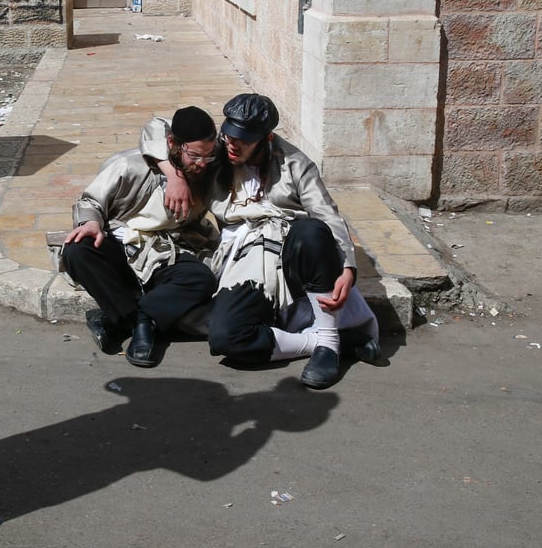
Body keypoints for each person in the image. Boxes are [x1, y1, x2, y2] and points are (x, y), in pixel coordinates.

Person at [144, 93, 380, 389]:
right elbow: (156, 128)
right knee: (225, 338)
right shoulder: (217, 152)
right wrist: (173, 175)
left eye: (243, 139)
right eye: (229, 134)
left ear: (266, 138)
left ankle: (329, 348)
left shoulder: (295, 164)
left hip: (289, 256)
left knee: (312, 230)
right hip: (242, 259)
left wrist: (348, 267)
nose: (232, 143)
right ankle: (326, 341)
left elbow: (328, 215)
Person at [60, 106, 221, 368]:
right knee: (77, 251)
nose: (201, 164)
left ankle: (126, 319)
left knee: (200, 279)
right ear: (173, 144)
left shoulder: (205, 171)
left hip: (166, 253)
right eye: (194, 156)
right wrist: (91, 223)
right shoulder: (130, 165)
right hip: (123, 248)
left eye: (208, 157)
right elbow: (92, 201)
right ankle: (143, 322)